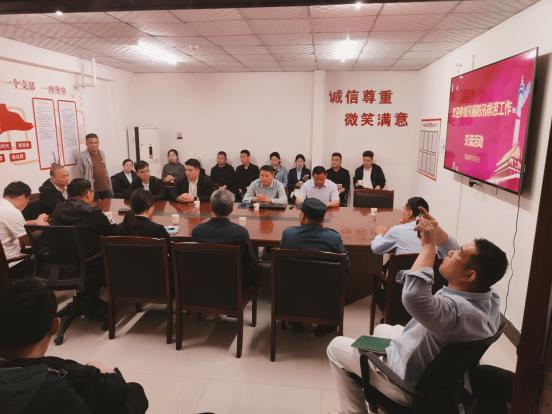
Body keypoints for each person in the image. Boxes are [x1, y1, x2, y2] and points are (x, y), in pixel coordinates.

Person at [327, 207, 508, 412]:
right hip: (433, 371)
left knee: (335, 347)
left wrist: (428, 246)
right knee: (381, 329)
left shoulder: (455, 313)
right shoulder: (489, 298)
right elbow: (454, 250)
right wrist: (436, 231)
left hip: (404, 384)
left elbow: (413, 297)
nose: (450, 252)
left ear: (469, 276)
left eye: (458, 253)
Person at [0, 279, 149, 413]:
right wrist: (108, 372)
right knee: (135, 393)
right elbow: (118, 392)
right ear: (55, 325)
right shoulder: (56, 379)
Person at [281, 198, 347, 335]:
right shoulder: (333, 238)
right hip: (324, 294)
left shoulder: (288, 235)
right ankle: (326, 322)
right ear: (323, 218)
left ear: (303, 216)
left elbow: (281, 263)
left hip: (293, 293)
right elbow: (346, 266)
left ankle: (294, 319)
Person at [50, 178, 117, 308]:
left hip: (59, 263)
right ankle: (94, 297)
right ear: (88, 194)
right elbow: (111, 232)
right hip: (88, 262)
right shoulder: (91, 212)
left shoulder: (58, 209)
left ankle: (86, 299)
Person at [192, 189, 259, 289]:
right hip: (233, 285)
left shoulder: (197, 231)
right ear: (231, 209)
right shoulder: (240, 233)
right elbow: (251, 263)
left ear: (211, 206)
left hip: (202, 282)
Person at [1, 182, 49, 280]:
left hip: (4, 261)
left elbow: (15, 223)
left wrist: (36, 221)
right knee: (46, 254)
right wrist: (41, 226)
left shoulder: (3, 206)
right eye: (28, 200)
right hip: (12, 265)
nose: (27, 204)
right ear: (22, 196)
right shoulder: (12, 212)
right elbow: (29, 242)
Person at [77, 133, 113, 200]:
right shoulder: (82, 156)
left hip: (106, 187)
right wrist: (86, 189)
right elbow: (81, 174)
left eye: (96, 143)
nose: (94, 145)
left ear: (98, 143)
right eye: (91, 143)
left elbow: (104, 168)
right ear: (86, 144)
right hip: (93, 189)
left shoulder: (102, 153)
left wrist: (109, 183)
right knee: (94, 206)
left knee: (110, 205)